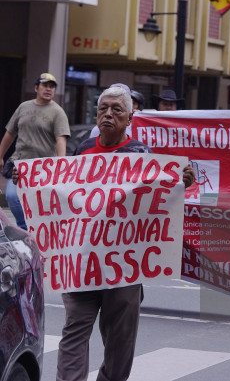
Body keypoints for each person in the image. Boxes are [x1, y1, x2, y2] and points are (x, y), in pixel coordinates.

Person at [13, 86, 195, 381]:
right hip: (82, 263)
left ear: (130, 117)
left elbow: (157, 201)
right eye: (103, 109)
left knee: (120, 340)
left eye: (116, 110)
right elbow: (59, 197)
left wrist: (180, 182)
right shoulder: (82, 152)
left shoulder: (141, 155)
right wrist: (29, 181)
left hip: (123, 267)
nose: (108, 114)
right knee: (74, 331)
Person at [0, 73, 70, 229]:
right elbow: (10, 133)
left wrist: (61, 164)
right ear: (36, 88)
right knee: (12, 196)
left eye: (52, 87)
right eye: (45, 85)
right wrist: (0, 156)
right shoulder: (23, 107)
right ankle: (24, 229)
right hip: (19, 164)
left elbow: (61, 140)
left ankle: (37, 231)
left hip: (43, 168)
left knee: (39, 202)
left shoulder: (58, 112)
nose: (48, 89)